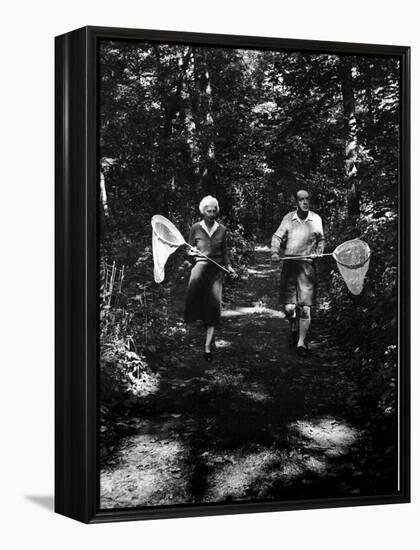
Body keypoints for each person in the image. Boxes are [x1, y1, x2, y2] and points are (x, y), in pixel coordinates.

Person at [271, 190, 325, 357]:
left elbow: (321, 239)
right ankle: (293, 326)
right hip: (289, 264)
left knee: (305, 308)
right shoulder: (288, 218)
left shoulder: (316, 219)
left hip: (307, 266)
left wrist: (319, 250)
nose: (305, 202)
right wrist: (274, 251)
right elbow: (277, 237)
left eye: (307, 199)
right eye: (301, 199)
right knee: (289, 308)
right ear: (296, 201)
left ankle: (301, 343)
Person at [184, 196, 237, 362]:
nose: (212, 214)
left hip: (217, 272)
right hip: (199, 270)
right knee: (196, 302)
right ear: (203, 211)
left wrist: (229, 268)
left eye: (214, 211)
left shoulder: (222, 229)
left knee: (213, 308)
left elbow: (225, 252)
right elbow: (188, 249)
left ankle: (207, 347)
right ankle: (203, 327)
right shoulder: (195, 228)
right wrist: (190, 253)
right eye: (209, 211)